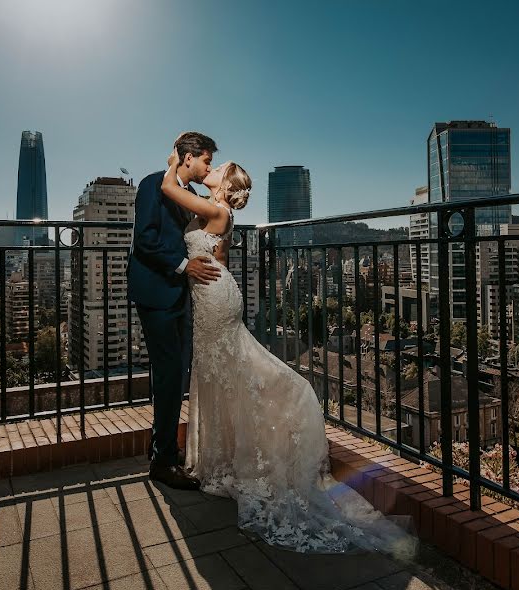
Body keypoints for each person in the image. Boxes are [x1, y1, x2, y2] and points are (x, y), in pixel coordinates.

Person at [160, 147, 419, 559]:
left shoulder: (219, 212)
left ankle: (275, 422)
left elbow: (167, 186)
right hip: (208, 298)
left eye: (218, 167)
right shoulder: (212, 207)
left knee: (230, 371)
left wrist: (177, 156)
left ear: (226, 184)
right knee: (213, 376)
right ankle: (219, 460)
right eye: (210, 162)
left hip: (216, 298)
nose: (212, 167)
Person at [128, 132, 221, 490]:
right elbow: (146, 241)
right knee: (169, 376)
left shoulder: (190, 195)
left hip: (179, 296)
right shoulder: (153, 185)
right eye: (206, 160)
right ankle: (163, 461)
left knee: (175, 376)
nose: (207, 167)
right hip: (156, 293)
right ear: (188, 158)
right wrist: (185, 266)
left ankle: (163, 449)